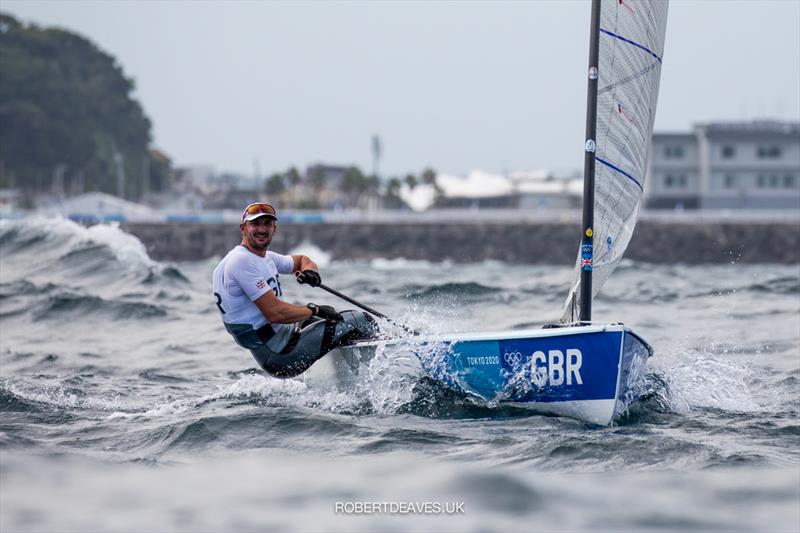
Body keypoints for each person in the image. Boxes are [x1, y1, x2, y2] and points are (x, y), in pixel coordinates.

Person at [212, 202, 378, 378]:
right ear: (243, 228)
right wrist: (316, 309)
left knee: (339, 319)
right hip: (280, 357)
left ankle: (350, 371)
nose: (262, 229)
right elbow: (275, 314)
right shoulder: (241, 261)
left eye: (267, 224)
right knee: (358, 320)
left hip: (286, 336)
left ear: (274, 229)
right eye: (255, 224)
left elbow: (301, 260)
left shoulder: (263, 257)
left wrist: (310, 271)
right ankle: (381, 371)